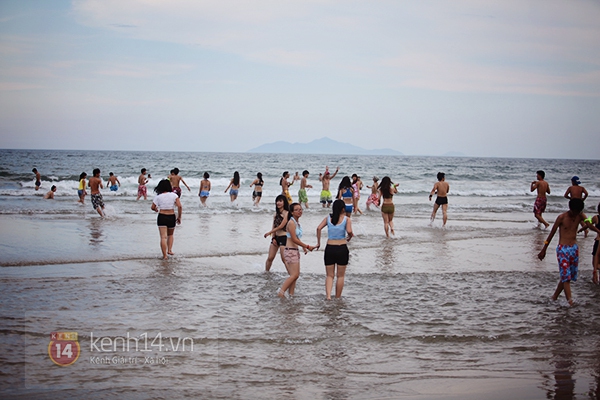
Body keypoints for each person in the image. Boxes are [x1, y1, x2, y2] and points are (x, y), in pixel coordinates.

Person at [538, 198, 598, 306]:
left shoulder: (580, 215)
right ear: (570, 209)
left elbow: (588, 223)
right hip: (563, 250)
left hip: (574, 249)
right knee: (566, 277)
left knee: (567, 276)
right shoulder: (562, 217)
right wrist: (544, 249)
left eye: (579, 212)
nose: (576, 214)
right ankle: (570, 302)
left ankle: (554, 297)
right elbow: (551, 234)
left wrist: (593, 225)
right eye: (575, 212)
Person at [316, 199, 354, 300]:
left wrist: (318, 243)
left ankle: (328, 296)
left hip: (329, 248)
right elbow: (349, 231)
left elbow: (318, 228)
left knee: (329, 275)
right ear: (343, 209)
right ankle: (337, 297)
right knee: (340, 276)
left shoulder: (328, 218)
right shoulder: (346, 219)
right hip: (341, 248)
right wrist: (350, 236)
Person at [277, 203, 316, 298]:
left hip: (295, 250)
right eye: (297, 210)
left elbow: (297, 238)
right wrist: (307, 246)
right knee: (294, 275)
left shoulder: (297, 223)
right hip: (290, 251)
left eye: (301, 209)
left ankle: (291, 295)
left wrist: (303, 247)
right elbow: (293, 239)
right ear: (292, 212)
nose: (300, 211)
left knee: (295, 276)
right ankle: (281, 292)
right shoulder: (291, 223)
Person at [151, 179, 182, 260]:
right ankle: (170, 250)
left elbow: (152, 207)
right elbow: (179, 206)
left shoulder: (158, 197)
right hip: (171, 216)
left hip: (162, 216)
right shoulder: (174, 195)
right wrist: (179, 217)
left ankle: (164, 255)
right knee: (170, 235)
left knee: (163, 237)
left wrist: (156, 210)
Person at [263, 195, 290, 272]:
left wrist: (269, 233)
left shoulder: (287, 213)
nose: (278, 203)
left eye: (280, 201)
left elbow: (281, 226)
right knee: (270, 257)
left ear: (284, 202)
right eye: (277, 201)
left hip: (284, 237)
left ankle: (291, 275)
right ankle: (266, 272)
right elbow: (274, 226)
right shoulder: (275, 214)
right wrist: (273, 237)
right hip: (276, 237)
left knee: (284, 259)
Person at [582, 202, 600, 284]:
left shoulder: (596, 217)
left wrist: (587, 218)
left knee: (595, 262)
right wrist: (581, 229)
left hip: (598, 241)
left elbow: (588, 223)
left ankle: (595, 274)